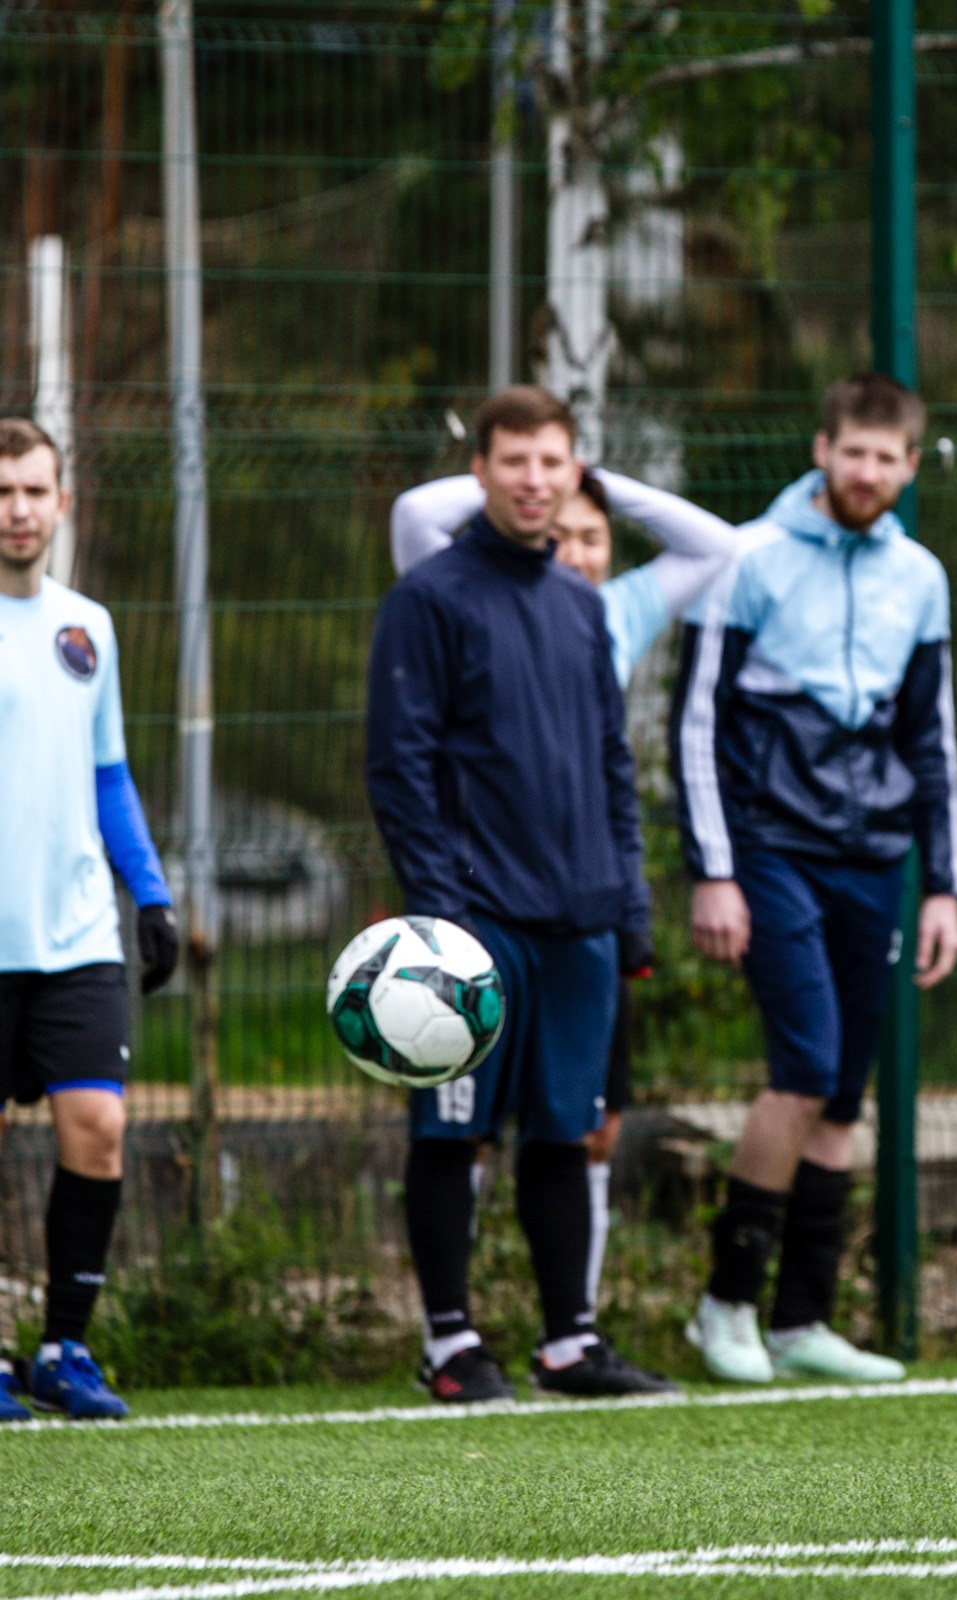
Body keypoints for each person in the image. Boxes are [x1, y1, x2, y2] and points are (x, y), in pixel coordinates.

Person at [366, 385, 675, 1404]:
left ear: (573, 472)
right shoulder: (429, 599)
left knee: (563, 1131)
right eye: (514, 462)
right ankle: (449, 1343)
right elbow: (399, 768)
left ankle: (568, 1343)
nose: (534, 481)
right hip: (475, 927)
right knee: (452, 1131)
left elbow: (610, 763)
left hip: (582, 922)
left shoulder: (583, 605)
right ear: (481, 473)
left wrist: (628, 904)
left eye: (551, 463)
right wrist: (441, 914)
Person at [390, 459, 740, 1310]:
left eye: (594, 537)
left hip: (581, 909)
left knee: (586, 1126)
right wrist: (526, 479)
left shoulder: (612, 610)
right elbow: (413, 514)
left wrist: (588, 475)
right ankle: (453, 1325)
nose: (578, 551)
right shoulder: (466, 595)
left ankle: (572, 1325)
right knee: (466, 1127)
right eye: (562, 533)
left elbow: (714, 544)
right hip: (486, 907)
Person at [674, 373, 957, 1386]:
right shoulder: (743, 558)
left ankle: (801, 1321)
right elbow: (695, 721)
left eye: (888, 458)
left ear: (911, 466)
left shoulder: (920, 577)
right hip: (769, 848)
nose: (868, 472)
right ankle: (724, 1306)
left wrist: (944, 885)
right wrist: (712, 870)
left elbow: (931, 738)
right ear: (822, 450)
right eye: (854, 453)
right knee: (803, 1067)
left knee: (842, 1094)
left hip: (875, 858)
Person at [0, 418, 175, 1422]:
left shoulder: (88, 628)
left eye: (35, 490)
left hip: (75, 937)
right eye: (2, 492)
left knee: (98, 1129)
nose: (18, 509)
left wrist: (149, 892)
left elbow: (109, 774)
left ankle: (66, 1348)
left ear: (63, 502)